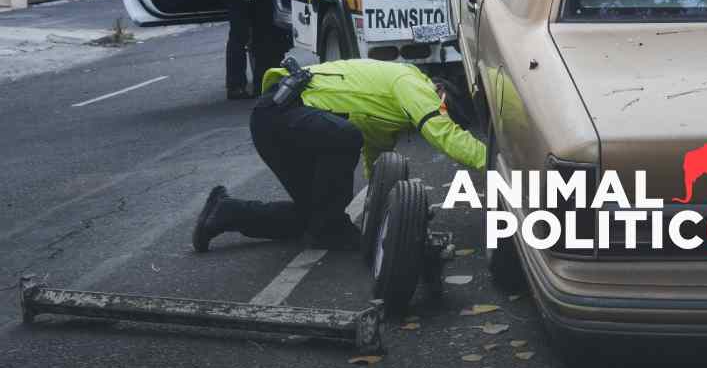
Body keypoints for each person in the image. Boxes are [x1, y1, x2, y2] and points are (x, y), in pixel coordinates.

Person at [191, 59, 486, 252]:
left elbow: (377, 162)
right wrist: (496, 159)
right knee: (345, 137)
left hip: (283, 125)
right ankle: (332, 229)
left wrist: (387, 215)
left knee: (313, 217)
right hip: (279, 114)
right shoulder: (412, 84)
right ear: (438, 92)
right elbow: (443, 134)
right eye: (443, 110)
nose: (438, 114)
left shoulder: (388, 112)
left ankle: (225, 211)